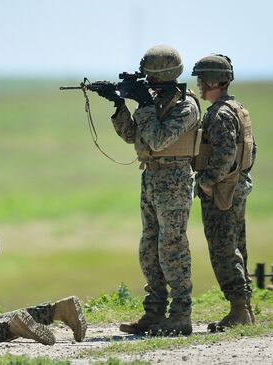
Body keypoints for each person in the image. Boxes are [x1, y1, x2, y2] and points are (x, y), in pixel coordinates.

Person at [95, 45, 201, 335]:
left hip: (175, 181)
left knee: (172, 247)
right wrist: (119, 106)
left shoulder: (185, 106)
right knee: (149, 248)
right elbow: (133, 136)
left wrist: (143, 105)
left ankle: (181, 315)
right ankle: (154, 313)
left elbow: (158, 139)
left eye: (148, 76)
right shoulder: (155, 101)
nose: (146, 81)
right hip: (152, 179)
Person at [191, 54, 256, 332]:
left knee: (223, 251)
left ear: (213, 81)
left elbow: (226, 153)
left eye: (202, 80)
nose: (199, 86)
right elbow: (250, 151)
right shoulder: (238, 108)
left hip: (222, 191)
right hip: (238, 186)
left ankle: (239, 310)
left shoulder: (219, 114)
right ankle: (244, 308)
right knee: (237, 247)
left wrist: (205, 180)